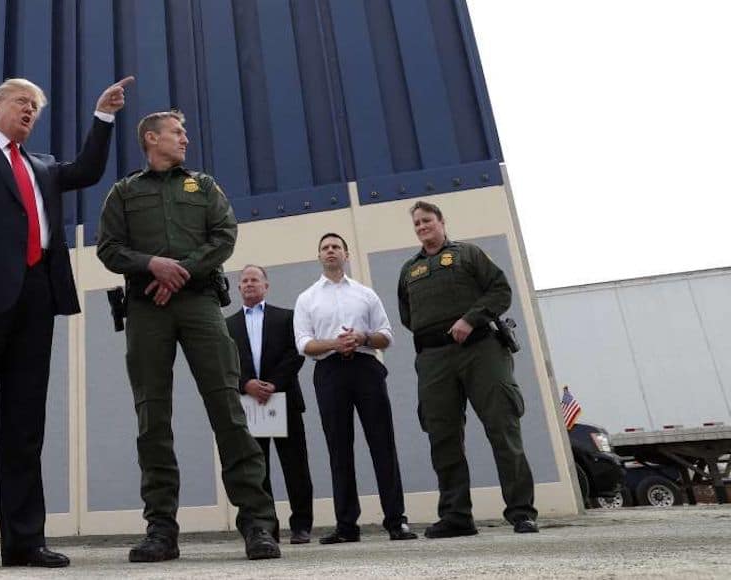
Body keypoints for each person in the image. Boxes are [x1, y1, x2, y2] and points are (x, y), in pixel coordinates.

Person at [0, 76, 133, 571]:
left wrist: (103, 116)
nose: (30, 112)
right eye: (23, 103)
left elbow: (86, 170)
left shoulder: (42, 166)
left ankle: (24, 541)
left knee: (25, 428)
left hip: (35, 302)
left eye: (36, 108)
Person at [96, 111, 281, 562]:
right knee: (152, 417)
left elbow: (224, 235)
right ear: (150, 138)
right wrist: (151, 266)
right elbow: (108, 248)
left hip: (199, 303)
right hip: (146, 310)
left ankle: (258, 523)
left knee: (227, 408)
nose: (185, 139)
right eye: (177, 133)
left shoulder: (204, 185)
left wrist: (181, 272)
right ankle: (161, 529)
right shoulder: (124, 192)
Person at [397, 200, 539, 538]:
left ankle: (522, 512)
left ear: (442, 221)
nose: (422, 227)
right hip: (434, 359)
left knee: (502, 429)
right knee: (442, 437)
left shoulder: (469, 254)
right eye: (416, 223)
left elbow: (500, 290)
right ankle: (456, 516)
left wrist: (470, 319)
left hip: (480, 351)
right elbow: (407, 316)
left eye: (427, 220)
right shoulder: (409, 270)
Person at [293, 233, 418, 544]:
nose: (331, 251)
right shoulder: (307, 298)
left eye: (336, 247)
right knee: (339, 448)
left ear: (346, 254)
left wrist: (361, 338)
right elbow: (304, 343)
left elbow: (386, 335)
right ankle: (346, 525)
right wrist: (336, 343)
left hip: (366, 368)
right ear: (319, 256)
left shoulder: (365, 294)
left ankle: (395, 520)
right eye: (325, 247)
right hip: (329, 371)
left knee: (382, 444)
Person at [225, 264, 314, 544]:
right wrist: (247, 384)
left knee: (295, 466)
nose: (250, 284)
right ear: (239, 288)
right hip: (250, 405)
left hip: (284, 399)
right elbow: (225, 362)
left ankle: (301, 526)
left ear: (266, 286)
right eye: (245, 281)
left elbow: (295, 354)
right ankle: (266, 527)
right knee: (257, 470)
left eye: (255, 280)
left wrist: (273, 383)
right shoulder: (227, 325)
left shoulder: (286, 317)